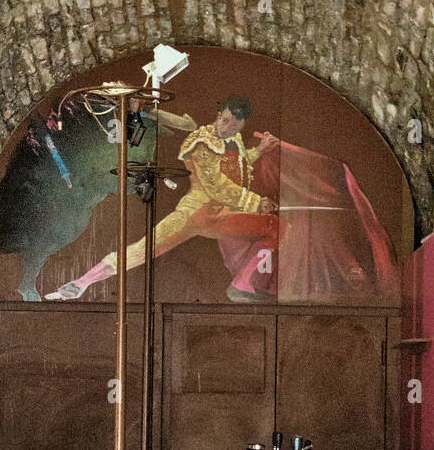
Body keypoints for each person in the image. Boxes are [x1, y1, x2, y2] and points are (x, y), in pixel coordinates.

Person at [45, 94, 281, 303]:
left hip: (221, 214)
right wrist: (255, 202)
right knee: (143, 250)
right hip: (196, 214)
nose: (228, 127)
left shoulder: (233, 140)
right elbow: (216, 185)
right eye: (226, 120)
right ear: (219, 115)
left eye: (235, 124)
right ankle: (79, 284)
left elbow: (235, 167)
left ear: (242, 124)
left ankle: (241, 285)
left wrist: (259, 150)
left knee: (276, 227)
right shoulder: (202, 142)